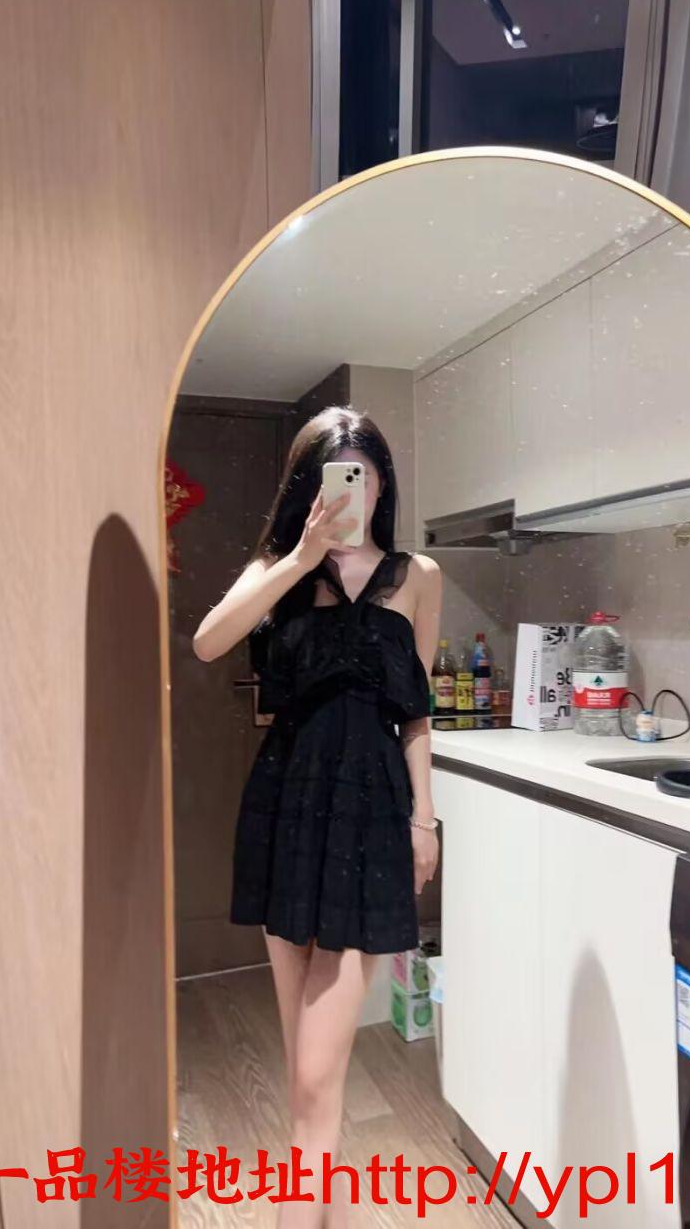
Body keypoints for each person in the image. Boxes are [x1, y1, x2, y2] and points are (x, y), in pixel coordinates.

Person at [193, 404, 441, 1227]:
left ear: (383, 482)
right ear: (309, 486)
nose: (354, 492)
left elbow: (416, 712)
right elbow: (207, 642)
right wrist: (300, 557)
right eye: (339, 476)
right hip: (287, 806)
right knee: (308, 1066)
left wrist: (425, 820)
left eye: (366, 475)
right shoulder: (280, 567)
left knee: (312, 1075)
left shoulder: (417, 576)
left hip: (371, 813)